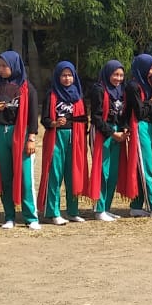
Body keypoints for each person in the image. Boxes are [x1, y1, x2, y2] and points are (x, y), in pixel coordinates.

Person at [0, 50, 40, 229]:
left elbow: (32, 116)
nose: (1, 69)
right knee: (5, 177)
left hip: (20, 133)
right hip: (1, 132)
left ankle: (31, 217)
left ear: (14, 66)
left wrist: (31, 138)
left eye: (5, 66)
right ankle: (9, 216)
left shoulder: (26, 87)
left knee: (25, 177)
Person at [39, 59, 88, 225]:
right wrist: (53, 123)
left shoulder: (78, 96)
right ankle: (53, 212)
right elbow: (44, 119)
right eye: (63, 75)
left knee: (73, 174)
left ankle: (73, 211)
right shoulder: (52, 95)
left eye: (69, 75)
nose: (67, 79)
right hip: (56, 138)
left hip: (75, 138)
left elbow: (83, 119)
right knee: (55, 174)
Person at [88, 60, 137, 221]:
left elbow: (123, 114)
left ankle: (106, 207)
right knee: (103, 170)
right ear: (108, 73)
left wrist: (123, 128)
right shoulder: (99, 89)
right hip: (103, 132)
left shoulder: (121, 91)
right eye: (115, 74)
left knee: (113, 172)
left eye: (121, 75)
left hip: (117, 132)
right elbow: (96, 117)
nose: (118, 78)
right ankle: (99, 208)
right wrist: (112, 133)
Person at [125, 53, 152, 219]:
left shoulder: (150, 84)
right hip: (139, 127)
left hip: (150, 128)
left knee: (145, 167)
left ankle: (137, 206)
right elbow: (140, 112)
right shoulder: (133, 86)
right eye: (150, 67)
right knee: (146, 168)